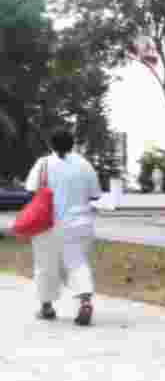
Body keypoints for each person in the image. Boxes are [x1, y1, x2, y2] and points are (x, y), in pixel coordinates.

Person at [24, 129, 102, 325]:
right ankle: (85, 302)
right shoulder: (85, 165)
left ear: (51, 145)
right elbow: (95, 195)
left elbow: (31, 189)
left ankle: (47, 307)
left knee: (45, 265)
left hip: (47, 224)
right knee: (78, 263)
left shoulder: (43, 164)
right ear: (73, 144)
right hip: (80, 224)